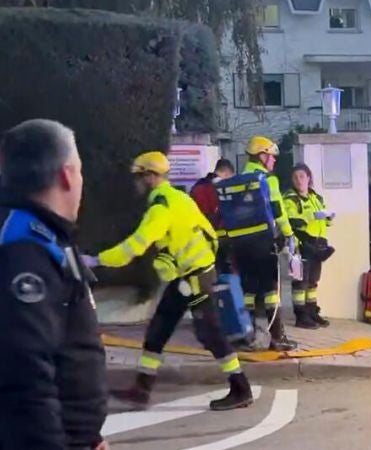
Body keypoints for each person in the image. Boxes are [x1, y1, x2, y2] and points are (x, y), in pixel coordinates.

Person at [84, 151, 253, 411]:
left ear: (150, 176)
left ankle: (241, 388)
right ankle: (141, 388)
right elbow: (198, 235)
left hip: (195, 278)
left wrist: (96, 260)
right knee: (159, 328)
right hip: (190, 276)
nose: (136, 183)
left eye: (139, 177)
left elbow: (135, 246)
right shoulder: (178, 197)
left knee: (211, 334)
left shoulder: (161, 207)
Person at [0, 119, 108, 450]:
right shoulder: (23, 247)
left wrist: (90, 435)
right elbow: (25, 372)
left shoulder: (50, 236)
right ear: (66, 175)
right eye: (79, 171)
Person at [232, 135, 297, 351]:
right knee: (270, 290)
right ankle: (277, 337)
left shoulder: (240, 178)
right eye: (271, 156)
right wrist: (289, 234)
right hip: (263, 242)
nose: (274, 161)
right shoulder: (268, 179)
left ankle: (246, 336)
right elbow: (278, 210)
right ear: (261, 156)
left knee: (248, 291)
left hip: (241, 243)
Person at [284, 163, 335, 330]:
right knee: (300, 283)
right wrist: (311, 215)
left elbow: (326, 222)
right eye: (295, 177)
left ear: (308, 178)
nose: (299, 180)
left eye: (302, 176)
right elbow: (292, 221)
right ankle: (301, 315)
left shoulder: (316, 198)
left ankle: (312, 311)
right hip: (300, 245)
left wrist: (328, 217)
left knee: (313, 282)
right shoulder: (290, 199)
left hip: (317, 244)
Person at [190, 158, 236, 272]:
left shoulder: (197, 187)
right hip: (222, 239)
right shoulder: (223, 188)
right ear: (226, 173)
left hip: (200, 240)